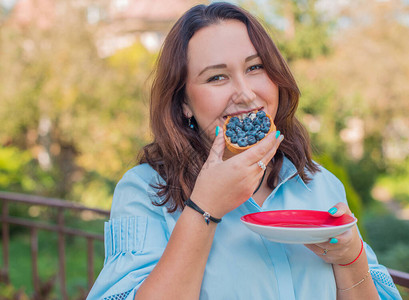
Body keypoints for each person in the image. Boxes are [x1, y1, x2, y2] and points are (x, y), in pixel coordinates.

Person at [87, 2, 402, 300]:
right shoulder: (146, 191)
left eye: (256, 67)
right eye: (217, 77)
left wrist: (351, 258)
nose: (246, 93)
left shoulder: (318, 184)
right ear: (184, 103)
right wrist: (204, 207)